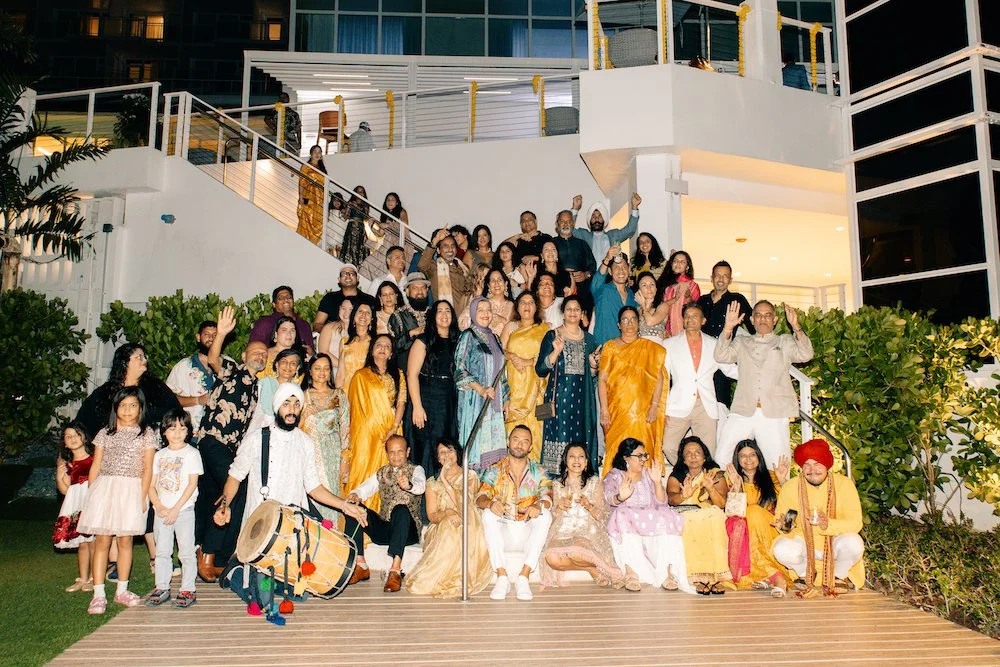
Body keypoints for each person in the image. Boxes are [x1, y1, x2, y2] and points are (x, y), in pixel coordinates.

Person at [212, 383, 368, 546]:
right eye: (286, 404)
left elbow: (314, 488)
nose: (292, 410)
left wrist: (343, 505)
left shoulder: (305, 442)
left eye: (296, 404)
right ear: (277, 406)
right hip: (259, 526)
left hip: (293, 526)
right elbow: (235, 476)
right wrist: (225, 505)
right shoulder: (257, 439)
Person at [194, 307, 267, 583]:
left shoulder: (258, 388)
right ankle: (210, 553)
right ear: (244, 356)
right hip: (214, 442)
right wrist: (222, 333)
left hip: (231, 450)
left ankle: (218, 556)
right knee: (236, 489)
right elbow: (213, 359)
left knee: (223, 495)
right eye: (255, 352)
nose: (259, 356)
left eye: (264, 354)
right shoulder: (232, 372)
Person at [77, 387, 158, 614]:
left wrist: (142, 496)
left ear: (140, 408)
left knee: (125, 541)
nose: (127, 410)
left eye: (133, 405)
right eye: (122, 405)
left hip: (131, 489)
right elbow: (96, 465)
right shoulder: (105, 433)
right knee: (102, 540)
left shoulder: (146, 434)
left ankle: (122, 590)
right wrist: (92, 492)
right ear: (115, 408)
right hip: (106, 488)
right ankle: (98, 593)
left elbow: (148, 468)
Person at [714, 300, 814, 466]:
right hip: (743, 410)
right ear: (752, 320)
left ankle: (776, 492)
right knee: (722, 458)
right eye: (758, 315)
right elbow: (721, 356)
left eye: (768, 315)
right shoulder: (741, 342)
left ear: (774, 320)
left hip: (774, 413)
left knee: (777, 464)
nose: (763, 319)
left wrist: (796, 326)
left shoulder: (785, 341)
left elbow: (806, 354)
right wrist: (728, 328)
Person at [773, 439, 865, 596]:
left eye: (817, 464)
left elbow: (856, 523)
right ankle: (804, 575)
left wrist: (828, 524)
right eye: (807, 465)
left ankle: (838, 576)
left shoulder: (844, 484)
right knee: (780, 548)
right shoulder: (791, 487)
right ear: (802, 467)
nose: (812, 469)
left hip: (834, 542)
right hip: (804, 544)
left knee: (854, 543)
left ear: (827, 465)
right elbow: (788, 522)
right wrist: (783, 525)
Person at [406, 439, 493, 597]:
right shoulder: (432, 483)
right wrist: (447, 513)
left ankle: (460, 577)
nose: (446, 455)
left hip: (470, 522)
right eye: (442, 452)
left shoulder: (470, 475)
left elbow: (464, 503)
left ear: (457, 453)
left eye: (450, 450)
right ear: (438, 458)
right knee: (449, 525)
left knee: (462, 519)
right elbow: (432, 516)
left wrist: (445, 481)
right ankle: (445, 578)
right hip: (440, 527)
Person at [476, 426, 553, 601]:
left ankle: (524, 576)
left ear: (530, 447)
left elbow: (548, 497)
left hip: (527, 530)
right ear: (508, 442)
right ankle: (501, 577)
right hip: (504, 530)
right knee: (488, 514)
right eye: (516, 439)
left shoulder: (540, 471)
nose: (520, 445)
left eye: (525, 441)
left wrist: (539, 505)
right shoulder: (494, 469)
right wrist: (490, 503)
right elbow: (480, 498)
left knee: (545, 515)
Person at [604, 438, 691, 592]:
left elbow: (661, 502)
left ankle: (666, 572)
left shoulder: (647, 474)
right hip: (627, 517)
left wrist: (657, 482)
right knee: (622, 514)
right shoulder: (615, 475)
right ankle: (631, 572)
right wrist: (621, 497)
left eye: (645, 455)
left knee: (667, 515)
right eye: (639, 456)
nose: (644, 459)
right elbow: (609, 497)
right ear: (626, 457)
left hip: (649, 517)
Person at [343, 435, 424, 592]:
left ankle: (395, 570)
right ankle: (361, 565)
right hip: (386, 529)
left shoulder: (416, 469)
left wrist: (408, 485)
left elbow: (421, 486)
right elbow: (366, 488)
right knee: (352, 507)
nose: (396, 456)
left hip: (408, 532)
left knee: (401, 509)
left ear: (408, 452)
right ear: (387, 454)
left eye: (400, 452)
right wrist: (355, 494)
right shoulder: (382, 472)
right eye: (392, 452)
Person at [539, 443, 624, 588]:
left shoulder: (594, 483)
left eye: (581, 457)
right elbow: (551, 518)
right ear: (566, 461)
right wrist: (558, 508)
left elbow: (603, 516)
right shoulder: (557, 484)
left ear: (586, 463)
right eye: (572, 456)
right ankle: (591, 569)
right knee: (550, 558)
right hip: (562, 532)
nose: (576, 460)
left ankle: (613, 572)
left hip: (586, 531)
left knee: (576, 552)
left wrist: (589, 506)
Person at [598, 306, 667, 475]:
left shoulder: (649, 348)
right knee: (617, 451)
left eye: (633, 319)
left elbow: (659, 378)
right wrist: (604, 410)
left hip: (643, 413)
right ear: (618, 325)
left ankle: (646, 491)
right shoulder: (610, 347)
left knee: (643, 450)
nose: (629, 323)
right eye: (625, 320)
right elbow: (602, 379)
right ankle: (615, 490)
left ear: (639, 323)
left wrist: (654, 406)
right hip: (617, 411)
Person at [145, 409, 203, 608]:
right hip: (161, 511)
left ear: (188, 431)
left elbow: (191, 484)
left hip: (183, 511)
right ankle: (161, 586)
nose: (177, 432)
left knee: (186, 552)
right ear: (164, 432)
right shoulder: (159, 455)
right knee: (162, 551)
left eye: (182, 427)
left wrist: (175, 509)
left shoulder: (192, 454)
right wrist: (158, 506)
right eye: (172, 428)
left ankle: (188, 589)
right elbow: (151, 485)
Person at [663, 303, 735, 463]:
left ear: (703, 320)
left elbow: (729, 370)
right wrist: (662, 407)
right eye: (687, 316)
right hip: (677, 405)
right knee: (668, 446)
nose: (690, 319)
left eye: (695, 316)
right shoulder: (669, 345)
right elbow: (663, 377)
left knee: (708, 451)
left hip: (705, 405)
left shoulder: (714, 343)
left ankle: (702, 480)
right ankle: (685, 472)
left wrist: (754, 372)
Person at [536, 297, 600, 471]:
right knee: (559, 438)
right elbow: (540, 369)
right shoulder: (552, 335)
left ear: (582, 314)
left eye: (576, 309)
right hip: (559, 400)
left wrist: (594, 366)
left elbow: (592, 376)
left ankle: (581, 481)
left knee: (581, 439)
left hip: (583, 400)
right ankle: (555, 481)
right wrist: (556, 351)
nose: (572, 312)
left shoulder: (589, 340)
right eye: (569, 309)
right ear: (563, 313)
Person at [345, 334, 407, 513]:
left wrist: (394, 428)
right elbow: (355, 409)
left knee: (389, 472)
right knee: (363, 468)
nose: (382, 348)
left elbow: (401, 401)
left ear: (391, 353)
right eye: (378, 344)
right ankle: (358, 515)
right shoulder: (360, 376)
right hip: (365, 434)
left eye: (387, 346)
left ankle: (385, 517)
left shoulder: (398, 374)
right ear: (372, 350)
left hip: (391, 429)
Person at [724, 439, 791, 596]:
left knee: (753, 511)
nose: (748, 459)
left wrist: (782, 481)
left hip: (772, 530)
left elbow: (791, 507)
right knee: (748, 516)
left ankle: (772, 576)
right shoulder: (731, 479)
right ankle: (774, 577)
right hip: (746, 533)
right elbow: (733, 513)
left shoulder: (773, 477)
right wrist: (737, 487)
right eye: (743, 456)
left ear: (759, 456)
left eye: (752, 454)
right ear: (737, 460)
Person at [666, 436, 732, 595]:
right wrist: (683, 495)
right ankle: (698, 577)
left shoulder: (716, 475)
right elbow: (672, 499)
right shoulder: (676, 477)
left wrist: (710, 489)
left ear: (705, 457)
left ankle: (716, 577)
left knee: (714, 515)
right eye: (688, 453)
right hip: (686, 513)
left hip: (710, 514)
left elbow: (721, 504)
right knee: (690, 519)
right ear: (683, 459)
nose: (693, 456)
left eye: (697, 453)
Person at [76, 342, 181, 440]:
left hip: (149, 446)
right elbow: (84, 421)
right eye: (139, 357)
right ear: (124, 362)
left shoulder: (156, 387)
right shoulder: (106, 392)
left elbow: (175, 412)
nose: (144, 360)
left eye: (145, 357)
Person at [455, 298, 510, 471]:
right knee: (477, 452)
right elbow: (460, 370)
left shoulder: (495, 338)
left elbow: (503, 373)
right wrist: (481, 389)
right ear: (472, 313)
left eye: (488, 310)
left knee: (495, 459)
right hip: (475, 401)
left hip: (495, 403)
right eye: (480, 310)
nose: (486, 314)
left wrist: (506, 399)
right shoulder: (467, 336)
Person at [406, 300, 459, 476]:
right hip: (427, 400)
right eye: (439, 311)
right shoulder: (424, 340)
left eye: (448, 311)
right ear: (433, 317)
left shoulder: (458, 340)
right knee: (427, 447)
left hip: (449, 400)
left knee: (447, 445)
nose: (444, 315)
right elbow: (411, 375)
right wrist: (417, 407)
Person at [501, 292, 550, 462]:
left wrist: (527, 361)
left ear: (536, 307)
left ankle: (534, 476)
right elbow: (500, 352)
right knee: (513, 430)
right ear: (517, 306)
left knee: (537, 431)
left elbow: (549, 358)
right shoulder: (511, 327)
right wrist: (512, 357)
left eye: (531, 302)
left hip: (537, 389)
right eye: (523, 302)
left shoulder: (545, 328)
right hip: (515, 389)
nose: (527, 306)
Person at [300, 353, 349, 509]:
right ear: (310, 371)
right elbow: (291, 430)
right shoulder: (302, 396)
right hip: (310, 451)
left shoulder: (339, 395)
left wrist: (345, 459)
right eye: (317, 368)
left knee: (334, 491)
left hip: (334, 453)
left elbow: (346, 428)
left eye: (326, 369)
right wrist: (304, 416)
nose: (322, 373)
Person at [54, 422, 95, 592]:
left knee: (93, 541)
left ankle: (95, 577)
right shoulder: (67, 464)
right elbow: (65, 489)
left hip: (92, 502)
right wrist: (59, 473)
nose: (73, 439)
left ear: (84, 436)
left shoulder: (94, 459)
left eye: (76, 434)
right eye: (68, 436)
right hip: (75, 504)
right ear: (64, 442)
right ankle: (83, 578)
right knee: (82, 543)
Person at [166, 320, 220, 430]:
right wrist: (197, 400)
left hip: (222, 434)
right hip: (192, 432)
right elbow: (168, 400)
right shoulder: (183, 366)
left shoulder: (229, 365)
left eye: (215, 335)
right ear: (198, 337)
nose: (211, 338)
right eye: (206, 334)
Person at [419, 229, 476, 321]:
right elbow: (422, 265)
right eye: (445, 246)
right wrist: (436, 240)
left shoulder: (463, 268)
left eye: (452, 246)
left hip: (463, 318)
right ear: (438, 250)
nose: (450, 249)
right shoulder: (434, 267)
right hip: (443, 318)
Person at [571, 192, 640, 268]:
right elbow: (570, 230)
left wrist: (634, 207)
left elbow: (630, 230)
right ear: (589, 220)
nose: (596, 219)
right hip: (589, 276)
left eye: (600, 216)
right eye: (593, 216)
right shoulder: (583, 235)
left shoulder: (613, 235)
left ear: (604, 219)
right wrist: (575, 208)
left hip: (609, 276)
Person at [552, 208, 597, 314]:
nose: (565, 224)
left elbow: (593, 267)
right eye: (562, 221)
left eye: (568, 221)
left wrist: (586, 275)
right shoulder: (551, 244)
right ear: (557, 224)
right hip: (557, 291)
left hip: (581, 292)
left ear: (573, 223)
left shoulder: (582, 244)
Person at [592, 245, 638, 347]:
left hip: (627, 350)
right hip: (604, 349)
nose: (621, 271)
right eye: (616, 268)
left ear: (629, 270)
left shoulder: (633, 296)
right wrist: (607, 259)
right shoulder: (603, 291)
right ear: (610, 271)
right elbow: (596, 281)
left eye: (624, 267)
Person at [387, 272, 431, 376]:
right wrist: (411, 334)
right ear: (407, 291)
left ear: (427, 290)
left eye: (423, 288)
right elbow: (392, 347)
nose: (420, 292)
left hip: (431, 374)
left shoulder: (435, 314)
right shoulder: (397, 317)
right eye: (415, 288)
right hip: (406, 373)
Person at [249, 286, 315, 355]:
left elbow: (311, 350)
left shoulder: (304, 324)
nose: (285, 299)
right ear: (274, 304)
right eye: (280, 298)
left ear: (293, 302)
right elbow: (254, 349)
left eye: (289, 297)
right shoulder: (265, 323)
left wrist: (311, 353)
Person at [313, 263, 377, 333]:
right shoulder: (330, 298)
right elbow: (318, 323)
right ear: (339, 279)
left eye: (352, 273)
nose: (348, 276)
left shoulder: (369, 300)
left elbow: (376, 324)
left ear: (357, 278)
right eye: (344, 274)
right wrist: (332, 334)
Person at [656, 250, 700, 337]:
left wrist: (688, 298)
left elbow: (696, 310)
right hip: (665, 328)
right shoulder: (664, 285)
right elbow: (659, 307)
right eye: (675, 261)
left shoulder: (692, 286)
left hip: (685, 329)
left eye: (682, 262)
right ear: (671, 264)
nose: (678, 264)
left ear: (687, 266)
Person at [335, 302, 375, 391]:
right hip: (346, 392)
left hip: (367, 392)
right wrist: (337, 396)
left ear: (372, 319)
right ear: (354, 316)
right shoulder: (345, 342)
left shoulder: (375, 343)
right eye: (360, 311)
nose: (363, 315)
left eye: (368, 312)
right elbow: (340, 373)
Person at [257, 347, 304, 421]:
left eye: (293, 363)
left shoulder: (297, 389)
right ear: (276, 365)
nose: (288, 366)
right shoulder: (265, 383)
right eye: (284, 362)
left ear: (297, 368)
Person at [259, 316, 307, 380]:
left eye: (292, 330)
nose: (289, 333)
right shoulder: (263, 354)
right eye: (284, 330)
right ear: (276, 334)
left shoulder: (301, 356)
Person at [296, 145, 326, 244]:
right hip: (309, 195)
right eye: (315, 152)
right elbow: (301, 182)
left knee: (318, 221)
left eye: (319, 152)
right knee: (307, 218)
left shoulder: (322, 168)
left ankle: (315, 243)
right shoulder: (306, 166)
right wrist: (300, 196)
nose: (317, 154)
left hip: (320, 198)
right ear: (311, 154)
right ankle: (305, 242)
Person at [317, 299, 354, 376]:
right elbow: (323, 352)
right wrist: (342, 367)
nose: (346, 313)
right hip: (331, 369)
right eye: (343, 308)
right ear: (339, 309)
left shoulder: (360, 331)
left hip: (353, 370)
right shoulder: (329, 328)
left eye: (350, 309)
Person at [342, 185, 373, 267]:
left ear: (364, 194)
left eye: (361, 192)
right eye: (358, 191)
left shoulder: (365, 205)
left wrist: (357, 208)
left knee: (359, 245)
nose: (360, 193)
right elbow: (345, 217)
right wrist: (348, 207)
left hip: (360, 227)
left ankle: (357, 264)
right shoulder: (351, 202)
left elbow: (366, 217)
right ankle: (350, 263)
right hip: (351, 225)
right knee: (350, 244)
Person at [634, 271, 669, 341]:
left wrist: (643, 306)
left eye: (652, 284)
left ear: (656, 289)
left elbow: (650, 322)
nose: (649, 288)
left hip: (656, 348)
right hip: (639, 348)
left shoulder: (663, 306)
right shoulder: (637, 310)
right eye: (644, 285)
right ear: (639, 290)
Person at [481, 268, 515, 336]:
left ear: (505, 283)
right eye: (493, 280)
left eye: (499, 280)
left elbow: (517, 331)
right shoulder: (482, 304)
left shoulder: (513, 306)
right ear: (488, 286)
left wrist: (503, 320)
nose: (496, 283)